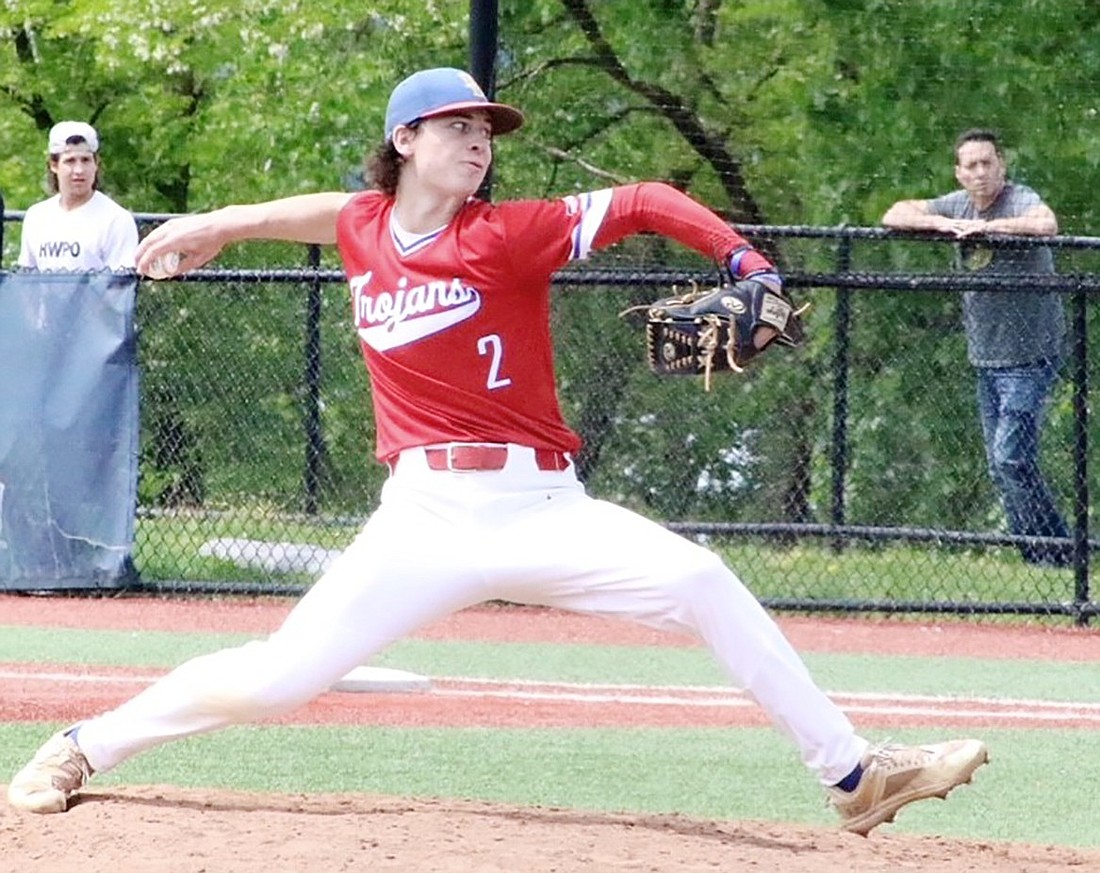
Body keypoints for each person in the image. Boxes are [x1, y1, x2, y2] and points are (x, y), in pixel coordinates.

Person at [8, 67, 988, 835]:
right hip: (423, 520)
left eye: (484, 134)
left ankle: (854, 775)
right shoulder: (364, 227)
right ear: (406, 141)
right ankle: (79, 748)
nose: (478, 144)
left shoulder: (510, 235)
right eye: (457, 128)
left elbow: (645, 196)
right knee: (278, 680)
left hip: (543, 509)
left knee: (699, 580)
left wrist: (747, 264)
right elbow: (319, 212)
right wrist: (218, 224)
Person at [882, 128, 1071, 567]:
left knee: (1011, 458)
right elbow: (895, 213)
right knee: (1000, 465)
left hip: (1032, 355)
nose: (981, 172)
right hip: (985, 356)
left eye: (988, 163)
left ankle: (1059, 554)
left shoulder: (1019, 198)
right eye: (972, 165)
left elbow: (1047, 223)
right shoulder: (956, 204)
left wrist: (989, 228)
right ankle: (1037, 558)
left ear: (1001, 166)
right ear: (959, 172)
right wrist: (942, 224)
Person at [17, 120, 138, 271]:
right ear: (54, 165)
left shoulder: (117, 220)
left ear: (96, 164)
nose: (79, 170)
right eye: (70, 161)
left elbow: (120, 287)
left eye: (86, 160)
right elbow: (26, 278)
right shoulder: (36, 217)